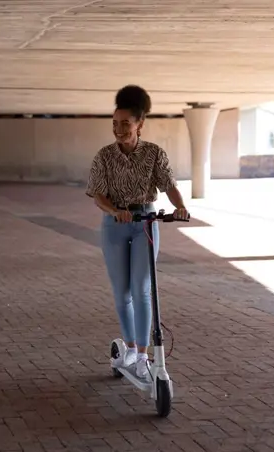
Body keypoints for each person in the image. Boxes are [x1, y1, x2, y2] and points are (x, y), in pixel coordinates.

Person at [85, 85, 189, 379]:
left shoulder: (154, 154)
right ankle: (129, 347)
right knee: (123, 293)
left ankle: (143, 356)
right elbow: (97, 195)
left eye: (125, 124)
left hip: (145, 222)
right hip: (115, 226)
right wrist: (113, 211)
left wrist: (180, 208)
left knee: (143, 290)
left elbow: (169, 186)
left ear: (140, 124)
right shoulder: (104, 156)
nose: (119, 129)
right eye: (115, 124)